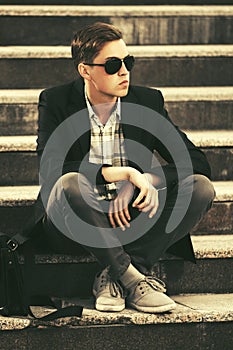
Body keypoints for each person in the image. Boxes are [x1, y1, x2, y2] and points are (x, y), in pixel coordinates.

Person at [36, 22, 215, 314]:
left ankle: (116, 273)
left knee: (201, 187)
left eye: (128, 62)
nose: (124, 71)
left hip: (130, 219)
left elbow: (195, 161)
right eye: (112, 64)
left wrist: (146, 178)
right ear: (85, 70)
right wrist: (121, 173)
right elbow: (51, 170)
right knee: (69, 183)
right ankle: (134, 280)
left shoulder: (147, 100)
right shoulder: (56, 101)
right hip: (75, 221)